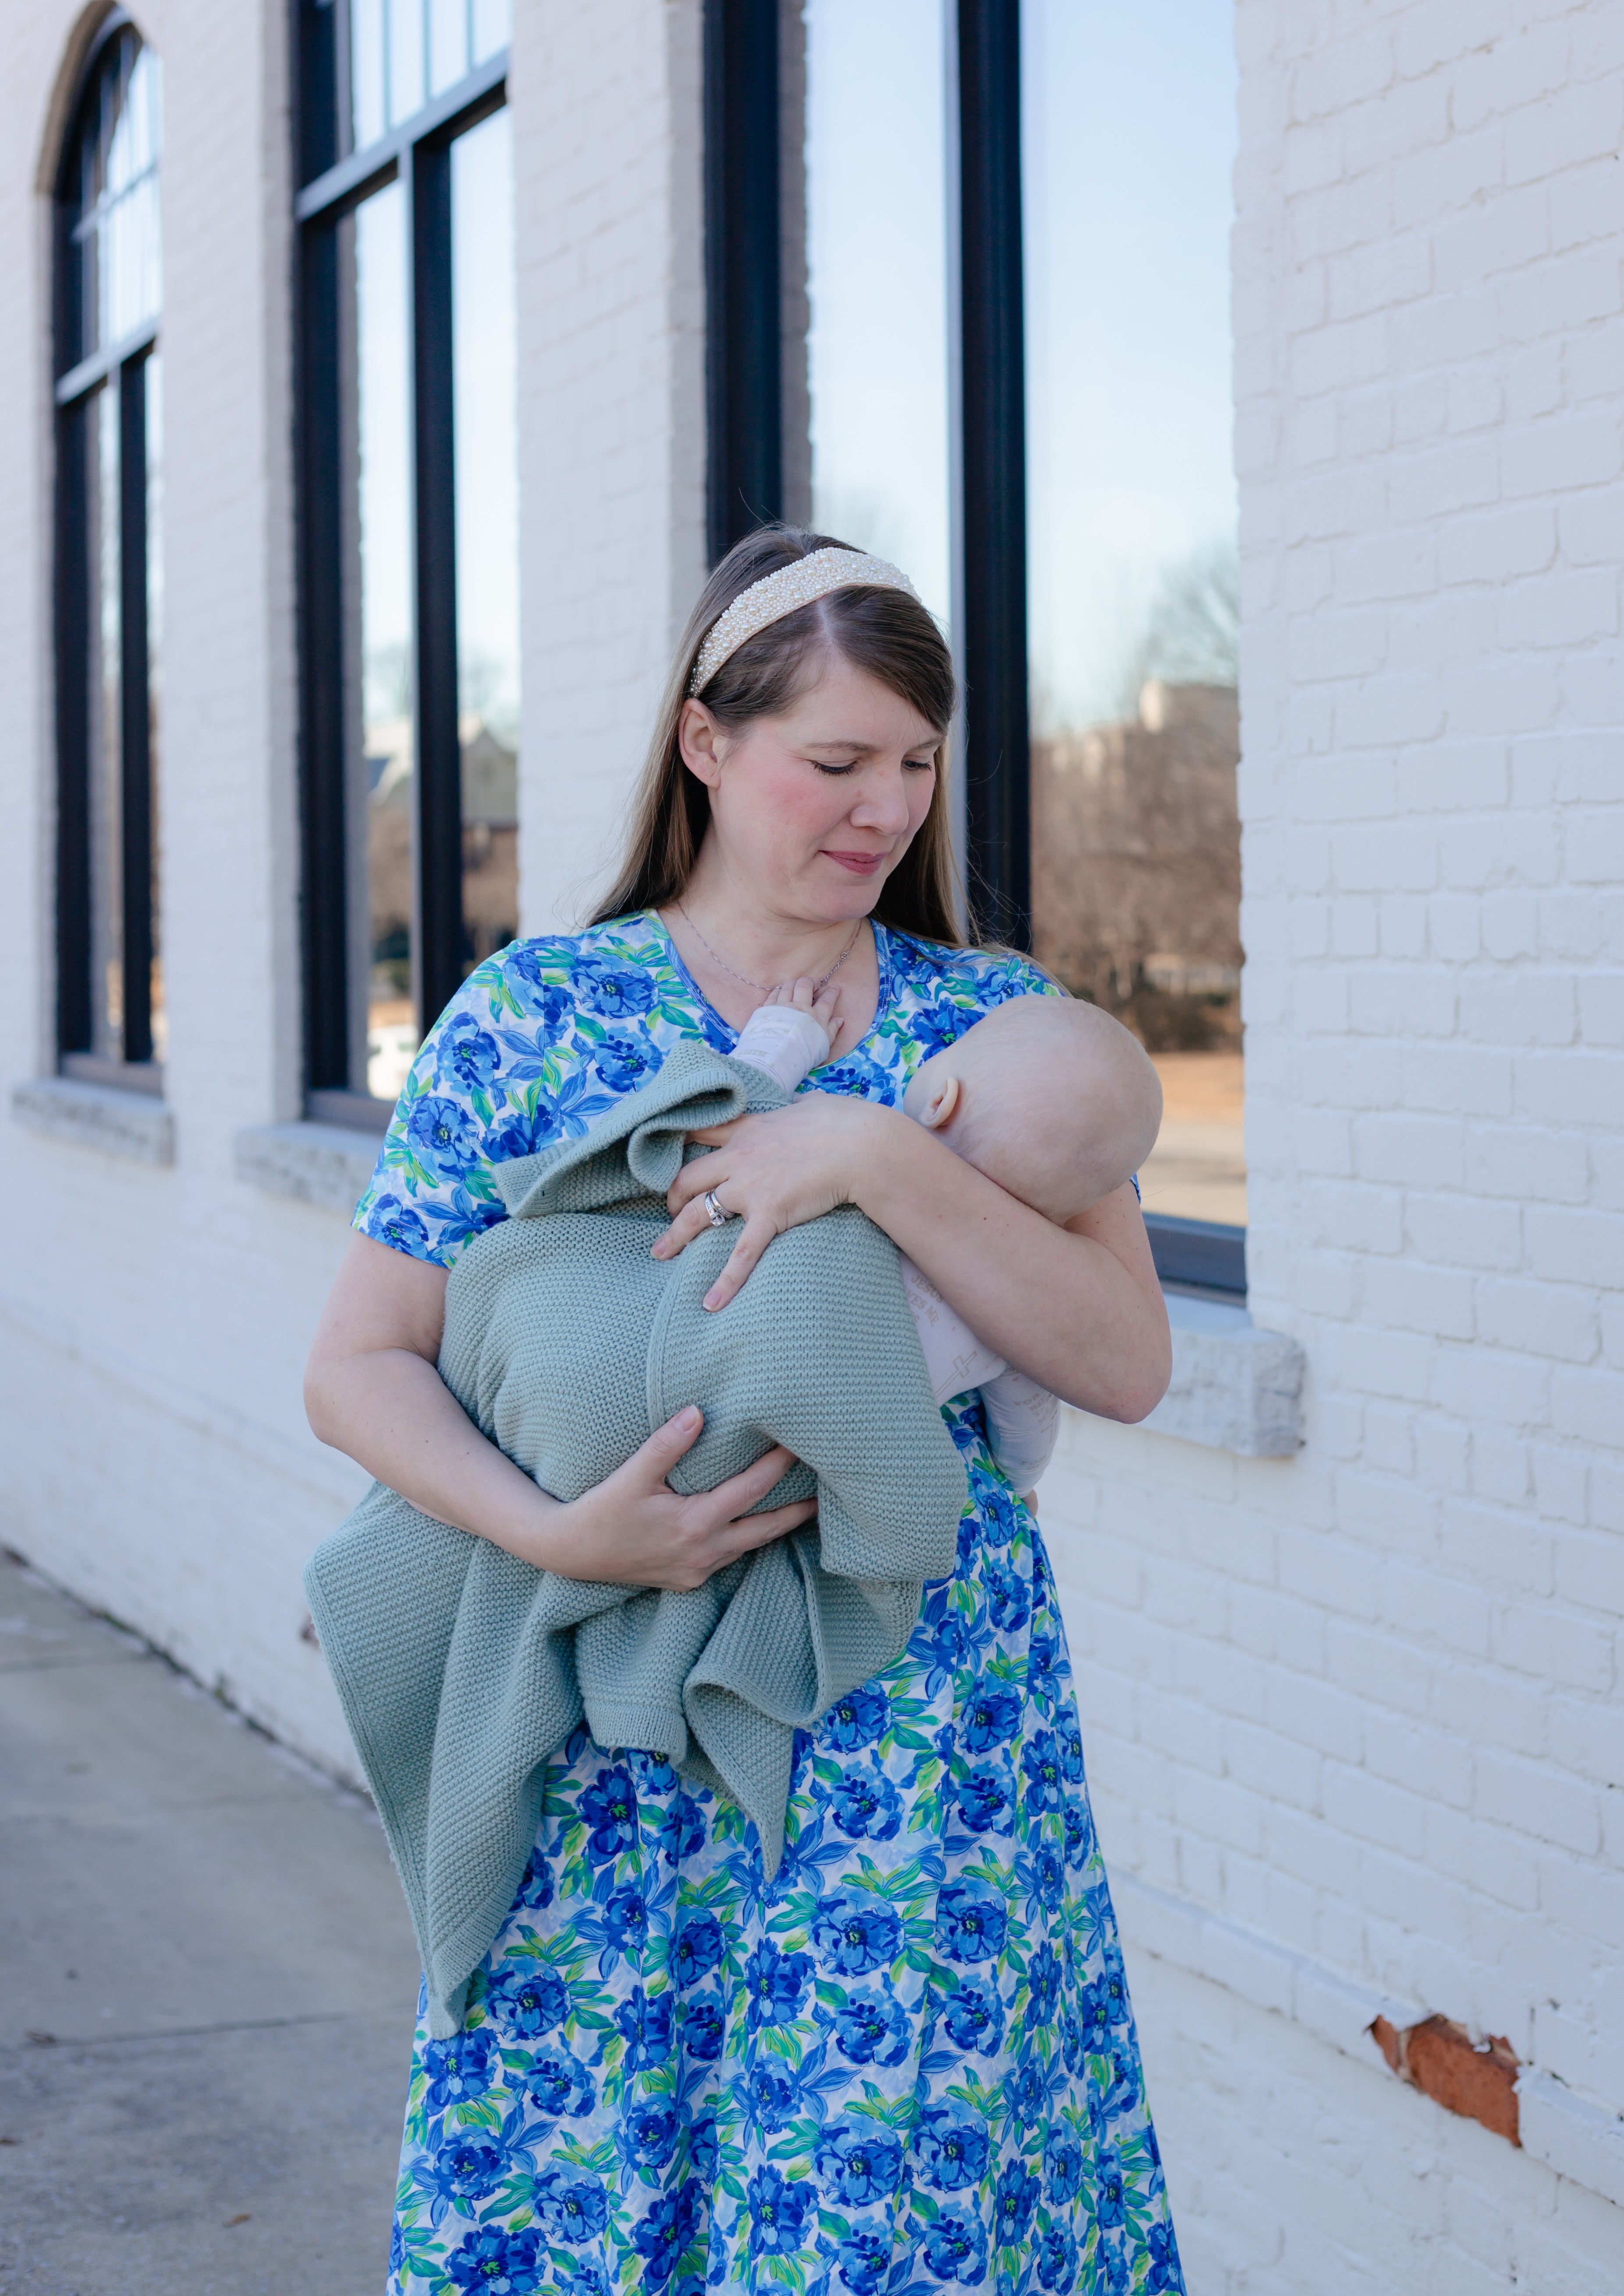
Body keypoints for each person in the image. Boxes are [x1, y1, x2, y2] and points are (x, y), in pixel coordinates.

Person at [305, 526, 1185, 2295]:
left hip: (919, 1730)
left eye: (917, 765)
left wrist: (866, 1153)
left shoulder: (994, 1023)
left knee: (882, 2210)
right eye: (836, 761)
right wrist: (563, 1529)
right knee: (603, 2200)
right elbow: (359, 1360)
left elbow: (1123, 1357)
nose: (883, 810)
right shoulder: (536, 1017)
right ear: (707, 743)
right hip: (605, 1744)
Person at [728, 981, 1164, 1499]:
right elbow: (1026, 1440)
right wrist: (1020, 1481)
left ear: (940, 1100)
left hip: (704, 1384)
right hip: (810, 1491)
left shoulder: (815, 1139)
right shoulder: (1004, 1318)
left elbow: (726, 1108)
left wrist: (785, 1035)